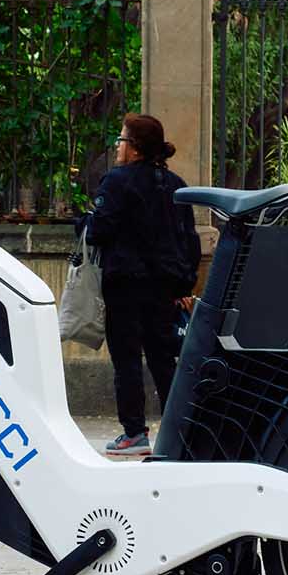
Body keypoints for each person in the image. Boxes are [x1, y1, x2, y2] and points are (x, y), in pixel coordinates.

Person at [79, 113, 201, 455]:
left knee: (128, 360)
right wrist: (184, 285)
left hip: (126, 286)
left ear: (134, 148)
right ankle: (180, 432)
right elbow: (188, 241)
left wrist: (83, 224)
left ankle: (134, 433)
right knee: (165, 361)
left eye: (121, 140)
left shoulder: (117, 181)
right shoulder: (176, 184)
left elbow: (99, 231)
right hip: (165, 288)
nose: (117, 147)